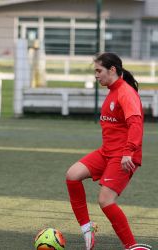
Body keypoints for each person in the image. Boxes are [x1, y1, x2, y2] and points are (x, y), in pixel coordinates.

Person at [66, 52, 146, 250]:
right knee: (72, 175)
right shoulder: (112, 90)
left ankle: (131, 246)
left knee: (105, 200)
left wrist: (129, 152)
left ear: (112, 70)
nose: (96, 75)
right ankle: (87, 229)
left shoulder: (125, 93)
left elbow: (135, 123)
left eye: (98, 70)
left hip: (123, 156)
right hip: (106, 152)